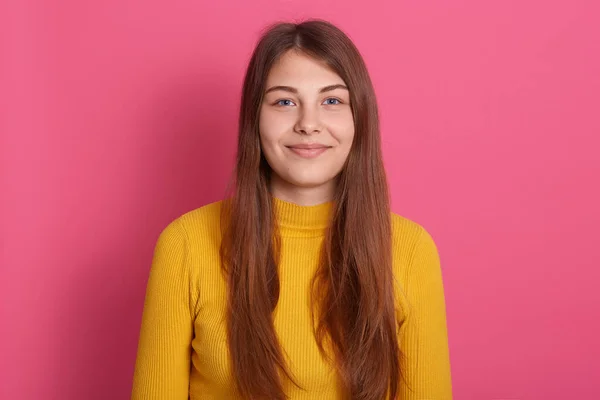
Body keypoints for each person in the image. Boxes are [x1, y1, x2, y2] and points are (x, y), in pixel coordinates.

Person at [131, 19, 452, 400]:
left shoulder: (411, 250)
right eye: (285, 101)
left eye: (331, 101)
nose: (308, 124)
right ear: (255, 118)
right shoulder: (184, 244)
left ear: (359, 119)